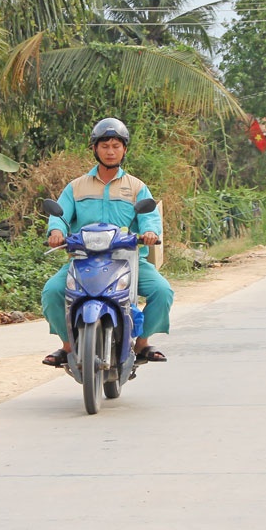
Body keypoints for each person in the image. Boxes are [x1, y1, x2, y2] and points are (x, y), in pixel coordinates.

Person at [41, 118, 173, 367]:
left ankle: (142, 343)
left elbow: (149, 218)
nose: (110, 151)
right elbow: (59, 216)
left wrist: (150, 233)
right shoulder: (76, 187)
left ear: (124, 149)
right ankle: (67, 345)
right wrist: (56, 232)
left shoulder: (137, 187)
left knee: (162, 291)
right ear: (94, 148)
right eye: (104, 146)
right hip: (83, 261)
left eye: (116, 145)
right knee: (52, 292)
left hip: (128, 260)